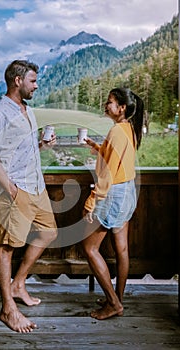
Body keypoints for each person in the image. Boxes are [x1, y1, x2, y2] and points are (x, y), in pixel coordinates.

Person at [0, 60, 57, 333]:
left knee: (49, 232)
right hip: (16, 190)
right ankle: (8, 309)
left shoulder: (27, 110)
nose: (36, 86)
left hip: (37, 187)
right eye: (33, 81)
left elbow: (18, 149)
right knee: (7, 247)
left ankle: (18, 283)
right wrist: (11, 189)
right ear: (17, 81)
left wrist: (41, 145)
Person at [82, 87, 144, 320]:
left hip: (114, 194)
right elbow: (116, 158)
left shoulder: (117, 131)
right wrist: (97, 147)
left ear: (122, 108)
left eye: (110, 102)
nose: (106, 106)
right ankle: (117, 297)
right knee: (122, 249)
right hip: (127, 192)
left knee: (89, 248)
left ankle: (113, 304)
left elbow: (108, 172)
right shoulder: (129, 128)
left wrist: (92, 200)